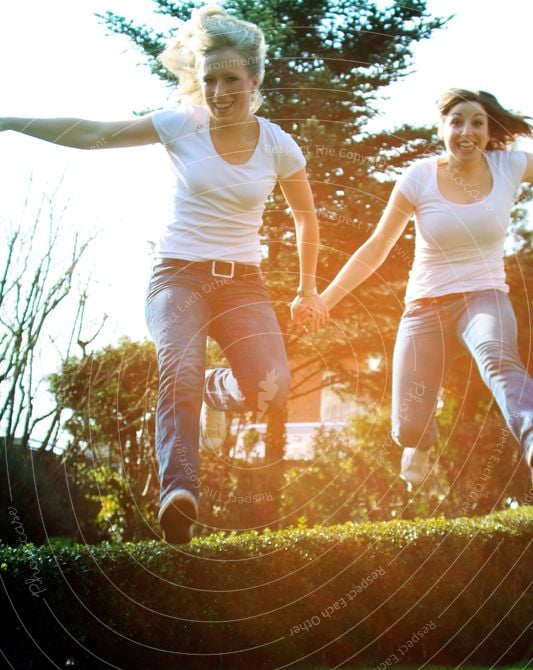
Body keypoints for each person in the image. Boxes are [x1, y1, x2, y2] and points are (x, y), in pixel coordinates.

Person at [0, 4, 327, 542]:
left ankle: (212, 388)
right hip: (177, 276)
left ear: (255, 79)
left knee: (271, 389)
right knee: (179, 369)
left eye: (232, 81)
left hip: (243, 283)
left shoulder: (277, 144)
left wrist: (308, 287)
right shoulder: (182, 124)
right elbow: (92, 134)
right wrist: (12, 120)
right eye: (210, 81)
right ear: (200, 83)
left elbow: (305, 214)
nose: (220, 93)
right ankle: (180, 491)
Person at [317, 89, 533, 489]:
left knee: (497, 354)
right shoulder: (419, 177)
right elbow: (378, 245)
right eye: (457, 122)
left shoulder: (510, 166)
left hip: (484, 296)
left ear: (489, 131)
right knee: (408, 426)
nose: (467, 131)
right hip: (424, 306)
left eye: (477, 122)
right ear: (442, 129)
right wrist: (325, 298)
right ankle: (419, 440)